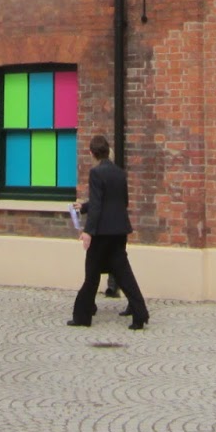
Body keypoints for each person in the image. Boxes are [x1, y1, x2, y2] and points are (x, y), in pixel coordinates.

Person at [68, 134, 149, 330]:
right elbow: (120, 201)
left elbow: (98, 204)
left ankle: (82, 316)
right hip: (119, 230)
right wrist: (84, 207)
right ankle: (140, 314)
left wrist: (88, 232)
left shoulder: (96, 173)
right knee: (124, 274)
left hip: (102, 233)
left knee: (92, 274)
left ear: (91, 153)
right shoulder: (120, 173)